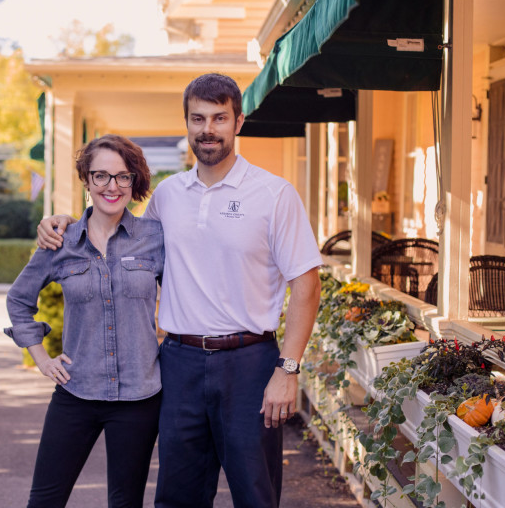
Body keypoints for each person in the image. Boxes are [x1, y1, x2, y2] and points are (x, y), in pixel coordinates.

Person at [37, 73, 322, 508]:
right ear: (186, 124)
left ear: (238, 122)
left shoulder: (274, 194)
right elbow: (118, 234)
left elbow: (306, 283)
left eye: (219, 118)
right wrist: (65, 222)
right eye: (197, 118)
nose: (208, 129)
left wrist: (288, 369)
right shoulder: (168, 196)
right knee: (177, 496)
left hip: (250, 364)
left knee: (255, 494)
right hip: (179, 364)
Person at [4, 134, 165, 508]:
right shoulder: (61, 241)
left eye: (123, 177)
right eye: (101, 176)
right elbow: (18, 299)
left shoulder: (154, 238)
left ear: (134, 181)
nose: (112, 186)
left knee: (125, 503)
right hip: (76, 392)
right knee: (45, 500)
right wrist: (42, 358)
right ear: (87, 181)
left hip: (139, 397)